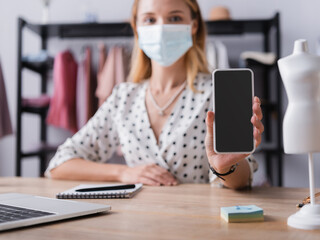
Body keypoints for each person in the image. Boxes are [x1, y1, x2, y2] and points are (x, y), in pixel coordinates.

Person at [46, 0, 264, 190]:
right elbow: (59, 164)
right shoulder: (124, 97)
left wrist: (226, 167)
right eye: (150, 20)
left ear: (193, 26)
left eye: (175, 17)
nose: (162, 28)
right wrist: (123, 173)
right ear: (137, 27)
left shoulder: (215, 94)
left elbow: (242, 182)